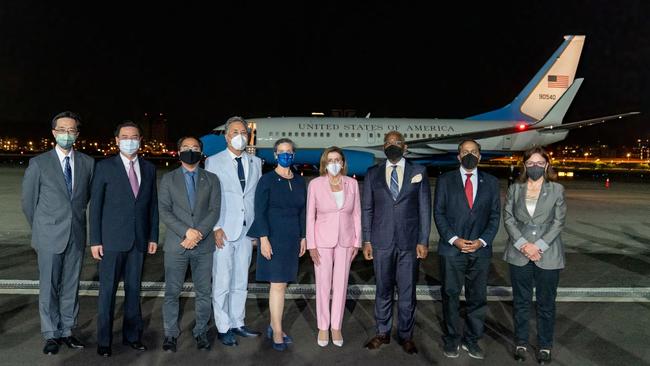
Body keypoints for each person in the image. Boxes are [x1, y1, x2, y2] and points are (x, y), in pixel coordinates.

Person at [21, 111, 94, 355]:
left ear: (77, 134)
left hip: (76, 234)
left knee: (71, 286)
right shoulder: (39, 163)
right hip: (49, 236)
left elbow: (86, 200)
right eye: (62, 130)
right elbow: (28, 203)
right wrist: (42, 230)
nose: (66, 134)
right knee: (49, 286)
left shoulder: (87, 163)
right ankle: (51, 333)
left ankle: (67, 330)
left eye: (71, 130)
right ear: (53, 133)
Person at [89, 121, 159, 357]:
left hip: (138, 241)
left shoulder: (149, 169)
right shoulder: (104, 166)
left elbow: (152, 207)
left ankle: (132, 336)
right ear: (117, 140)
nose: (130, 140)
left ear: (140, 140)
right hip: (111, 242)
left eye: (135, 136)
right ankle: (105, 340)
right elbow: (95, 207)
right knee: (107, 292)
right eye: (125, 136)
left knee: (133, 290)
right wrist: (95, 240)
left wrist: (153, 236)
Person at [362, 131, 431, 355]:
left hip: (409, 243)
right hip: (381, 242)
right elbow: (367, 209)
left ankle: (406, 335)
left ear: (405, 147)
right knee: (382, 289)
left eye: (396, 143)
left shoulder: (418, 172)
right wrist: (366, 240)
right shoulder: (373, 173)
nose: (392, 146)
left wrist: (423, 240)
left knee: (407, 291)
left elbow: (423, 209)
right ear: (383, 147)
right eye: (388, 143)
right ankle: (382, 332)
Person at [433, 139, 500, 360]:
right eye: (465, 152)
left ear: (480, 156)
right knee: (450, 296)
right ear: (458, 156)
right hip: (452, 250)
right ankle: (452, 339)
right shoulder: (445, 180)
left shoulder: (491, 182)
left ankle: (472, 340)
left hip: (480, 251)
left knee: (477, 298)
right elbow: (439, 213)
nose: (469, 155)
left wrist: (482, 240)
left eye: (473, 151)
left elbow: (494, 216)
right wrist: (454, 239)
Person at [503, 147, 566, 365]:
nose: (535, 167)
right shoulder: (515, 189)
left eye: (540, 163)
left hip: (547, 254)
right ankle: (521, 342)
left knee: (546, 304)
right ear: (524, 166)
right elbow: (509, 218)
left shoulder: (557, 189)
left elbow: (558, 222)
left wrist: (538, 245)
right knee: (521, 302)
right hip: (519, 253)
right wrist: (523, 245)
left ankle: (545, 345)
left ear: (547, 165)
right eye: (531, 163)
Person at [159, 136, 221, 352]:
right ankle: (170, 334)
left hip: (203, 246)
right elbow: (164, 211)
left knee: (204, 292)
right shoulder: (168, 179)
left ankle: (201, 331)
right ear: (178, 152)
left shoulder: (212, 179)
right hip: (177, 245)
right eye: (186, 147)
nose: (191, 150)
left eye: (195, 147)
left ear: (201, 152)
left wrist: (198, 234)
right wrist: (186, 231)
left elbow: (214, 210)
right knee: (172, 292)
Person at [205, 116, 263, 346]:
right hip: (224, 230)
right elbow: (211, 198)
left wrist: (257, 230)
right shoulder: (214, 162)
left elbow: (255, 198)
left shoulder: (256, 162)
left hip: (247, 231)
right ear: (228, 136)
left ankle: (238, 322)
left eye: (244, 132)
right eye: (236, 132)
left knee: (241, 279)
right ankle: (222, 326)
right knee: (222, 280)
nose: (240, 136)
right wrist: (215, 227)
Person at [247, 138, 306, 352]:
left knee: (284, 283)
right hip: (273, 237)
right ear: (274, 155)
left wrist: (303, 236)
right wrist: (263, 238)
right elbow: (259, 211)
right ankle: (278, 331)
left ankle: (274, 325)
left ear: (293, 154)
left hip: (292, 238)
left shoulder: (300, 181)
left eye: (289, 151)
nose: (285, 155)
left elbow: (303, 212)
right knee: (278, 284)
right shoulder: (267, 180)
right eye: (281, 152)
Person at [306, 147, 361, 347]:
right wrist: (311, 244)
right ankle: (323, 326)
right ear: (324, 163)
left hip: (346, 241)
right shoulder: (315, 184)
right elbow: (310, 216)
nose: (334, 163)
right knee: (323, 284)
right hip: (322, 241)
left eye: (338, 159)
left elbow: (356, 214)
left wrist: (357, 241)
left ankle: (336, 326)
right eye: (330, 160)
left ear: (343, 163)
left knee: (341, 284)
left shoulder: (352, 184)